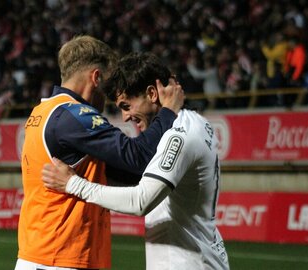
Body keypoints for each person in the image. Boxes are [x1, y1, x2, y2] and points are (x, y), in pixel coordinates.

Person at [41, 52, 230, 270]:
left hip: (190, 263)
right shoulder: (194, 123)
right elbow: (139, 177)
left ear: (151, 93)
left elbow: (141, 201)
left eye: (126, 105)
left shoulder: (180, 134)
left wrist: (72, 184)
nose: (125, 117)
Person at [16, 35, 184, 270]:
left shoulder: (46, 111)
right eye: (108, 84)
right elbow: (138, 157)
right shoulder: (73, 115)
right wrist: (168, 111)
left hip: (47, 254)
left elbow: (123, 172)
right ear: (96, 77)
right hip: (60, 257)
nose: (111, 95)